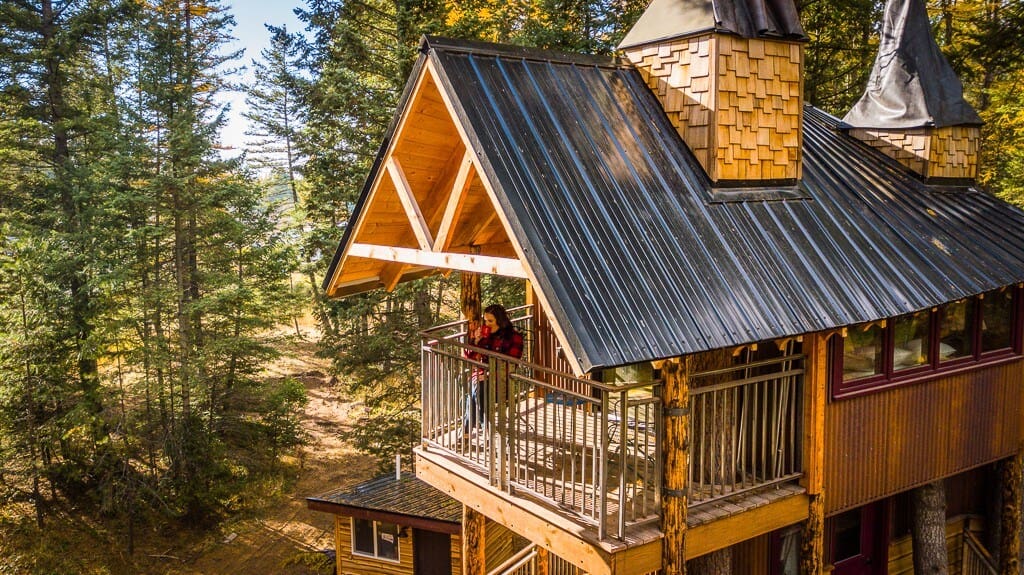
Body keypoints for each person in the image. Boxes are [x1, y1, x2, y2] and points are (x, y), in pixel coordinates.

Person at [463, 304, 524, 433]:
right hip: (481, 377)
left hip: (501, 380)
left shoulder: (514, 337)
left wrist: (490, 374)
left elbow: (511, 364)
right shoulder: (485, 335)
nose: (487, 324)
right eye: (485, 320)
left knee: (476, 392)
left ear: (500, 321)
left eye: (490, 321)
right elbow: (470, 358)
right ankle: (486, 426)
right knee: (477, 388)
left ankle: (470, 429)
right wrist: (475, 342)